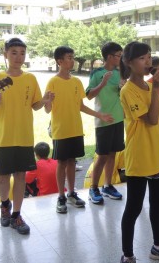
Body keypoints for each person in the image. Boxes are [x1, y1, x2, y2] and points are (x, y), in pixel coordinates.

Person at [119, 41, 159, 263]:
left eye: (149, 57)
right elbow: (151, 119)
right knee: (134, 209)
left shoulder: (150, 86)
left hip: (157, 154)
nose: (148, 62)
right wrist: (156, 88)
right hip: (140, 157)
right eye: (142, 58)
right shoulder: (128, 90)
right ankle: (127, 255)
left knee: (158, 205)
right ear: (129, 63)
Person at [0, 37, 50, 235]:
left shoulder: (30, 79)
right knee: (3, 176)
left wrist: (45, 100)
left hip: (24, 135)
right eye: (14, 53)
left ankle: (16, 215)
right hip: (4, 135)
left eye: (22, 53)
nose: (18, 57)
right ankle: (5, 205)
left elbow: (35, 105)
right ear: (5, 54)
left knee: (20, 176)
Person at [45, 46, 113, 214]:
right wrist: (48, 101)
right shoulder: (53, 82)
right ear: (59, 61)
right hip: (60, 129)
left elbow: (81, 106)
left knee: (71, 161)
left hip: (76, 128)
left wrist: (100, 115)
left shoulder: (76, 82)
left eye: (73, 56)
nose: (72, 60)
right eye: (69, 57)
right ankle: (61, 196)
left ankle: (71, 193)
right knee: (61, 162)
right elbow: (47, 109)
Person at [86, 42, 125, 205]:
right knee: (102, 156)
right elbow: (88, 95)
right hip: (103, 121)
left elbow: (123, 93)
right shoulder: (97, 73)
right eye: (118, 55)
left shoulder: (121, 72)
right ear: (109, 57)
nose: (120, 58)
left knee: (112, 154)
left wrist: (123, 87)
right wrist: (102, 83)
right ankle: (93, 187)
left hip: (118, 119)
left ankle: (107, 186)